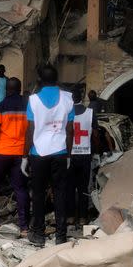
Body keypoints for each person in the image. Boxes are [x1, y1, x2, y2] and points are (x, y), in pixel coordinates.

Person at [24, 65, 74, 246]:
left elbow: (30, 130)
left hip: (38, 153)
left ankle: (38, 234)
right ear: (57, 79)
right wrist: (68, 155)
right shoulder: (68, 99)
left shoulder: (33, 100)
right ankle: (61, 236)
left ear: (40, 81)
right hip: (60, 152)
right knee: (60, 193)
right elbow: (70, 130)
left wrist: (24, 156)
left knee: (38, 194)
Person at [0, 77, 29, 235]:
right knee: (21, 188)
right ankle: (24, 226)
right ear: (19, 88)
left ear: (6, 90)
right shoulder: (28, 106)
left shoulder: (0, 106)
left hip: (1, 152)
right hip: (21, 153)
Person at [68, 85, 97, 227]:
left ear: (71, 98)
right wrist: (95, 150)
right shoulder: (90, 113)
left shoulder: (67, 114)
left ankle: (71, 216)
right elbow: (96, 135)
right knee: (83, 188)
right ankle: (83, 218)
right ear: (81, 97)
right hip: (85, 154)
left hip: (71, 155)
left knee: (70, 187)